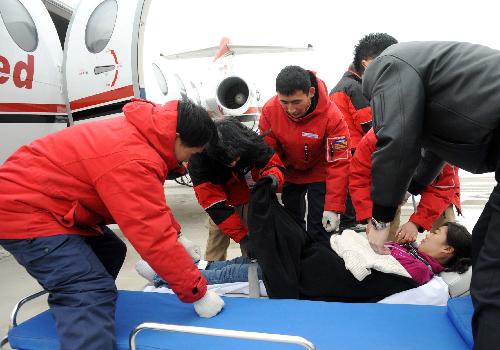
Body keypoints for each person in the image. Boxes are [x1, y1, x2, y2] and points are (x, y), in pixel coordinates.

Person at [0, 99, 224, 350]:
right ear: (177, 137)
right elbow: (151, 235)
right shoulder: (133, 157)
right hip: (24, 209)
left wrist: (178, 236)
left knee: (111, 250)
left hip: (51, 201)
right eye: (192, 153)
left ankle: (79, 310)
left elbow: (148, 208)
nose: (188, 162)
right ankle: (83, 311)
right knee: (86, 288)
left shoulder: (141, 137)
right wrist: (198, 293)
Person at [361, 41, 500, 350]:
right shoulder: (434, 77)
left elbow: (397, 142)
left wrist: (381, 219)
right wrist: (411, 189)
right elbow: (434, 147)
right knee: (483, 239)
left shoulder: (388, 66)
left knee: (492, 278)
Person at [195, 178, 471, 302]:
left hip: (300, 273)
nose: (428, 232)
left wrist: (352, 241)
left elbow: (363, 266)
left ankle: (172, 278)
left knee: (238, 272)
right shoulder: (411, 256)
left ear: (447, 250)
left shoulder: (418, 271)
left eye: (435, 233)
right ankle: (190, 267)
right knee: (240, 263)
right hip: (306, 259)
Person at [259, 65, 350, 242]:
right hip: (288, 172)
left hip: (320, 172)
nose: (291, 109)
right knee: (291, 227)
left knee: (320, 229)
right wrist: (274, 188)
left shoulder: (333, 116)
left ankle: (320, 262)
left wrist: (334, 206)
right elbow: (268, 154)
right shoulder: (270, 111)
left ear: (310, 92)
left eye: (296, 102)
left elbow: (339, 162)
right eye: (284, 102)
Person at [188, 117, 284, 260]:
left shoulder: (251, 141)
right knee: (216, 240)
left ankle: (255, 272)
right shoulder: (198, 158)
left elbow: (272, 165)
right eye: (227, 160)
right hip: (220, 202)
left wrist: (273, 179)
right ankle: (211, 275)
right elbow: (213, 203)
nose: (233, 162)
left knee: (253, 247)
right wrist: (242, 238)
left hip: (249, 197)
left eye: (236, 157)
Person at [330, 33, 398, 232]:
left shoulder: (339, 87)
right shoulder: (357, 88)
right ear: (367, 64)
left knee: (347, 219)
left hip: (341, 156)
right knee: (361, 221)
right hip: (358, 156)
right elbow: (375, 127)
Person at [349, 129, 461, 242]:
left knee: (445, 235)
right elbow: (359, 179)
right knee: (382, 234)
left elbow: (441, 190)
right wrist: (371, 219)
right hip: (388, 186)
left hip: (437, 181)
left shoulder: (444, 145)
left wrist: (416, 223)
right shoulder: (374, 139)